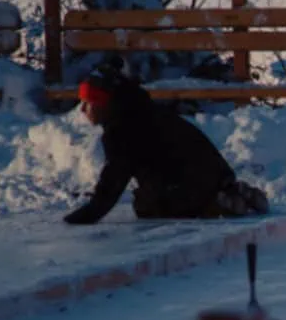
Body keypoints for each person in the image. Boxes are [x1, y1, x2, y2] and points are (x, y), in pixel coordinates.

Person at [64, 70, 269, 225]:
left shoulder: (122, 130)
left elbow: (113, 179)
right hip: (215, 174)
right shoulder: (149, 112)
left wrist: (86, 215)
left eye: (87, 103)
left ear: (102, 104)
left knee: (145, 205)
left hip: (184, 188)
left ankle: (214, 205)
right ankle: (229, 193)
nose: (82, 110)